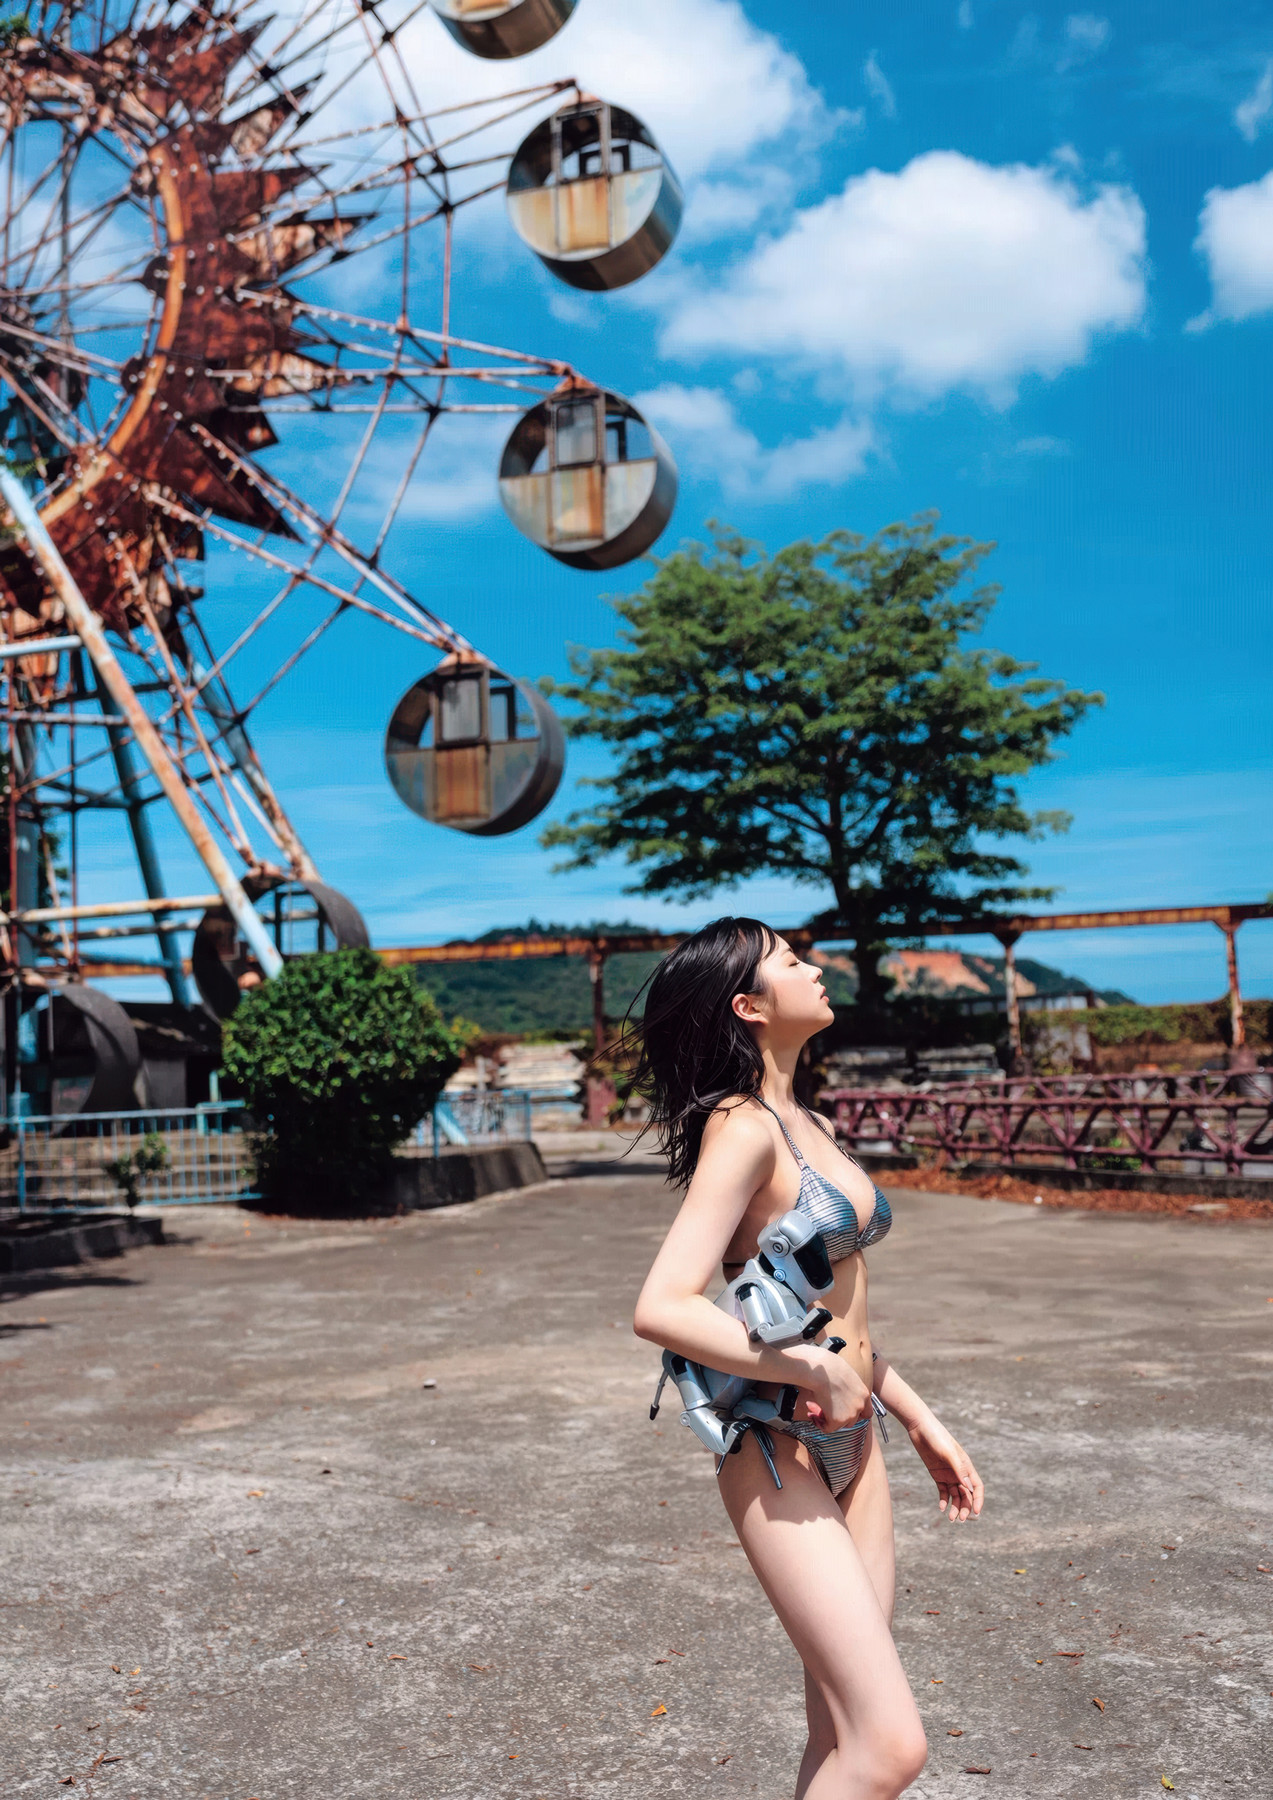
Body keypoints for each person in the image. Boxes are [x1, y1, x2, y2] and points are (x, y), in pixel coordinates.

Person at [632, 918, 983, 1800]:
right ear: (747, 1006)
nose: (815, 968)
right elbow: (661, 1306)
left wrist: (919, 1419)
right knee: (890, 1749)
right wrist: (805, 1370)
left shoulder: (811, 1122)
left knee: (839, 1735)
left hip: (856, 1443)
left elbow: (837, 1326)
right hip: (775, 1444)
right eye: (791, 961)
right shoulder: (742, 1126)